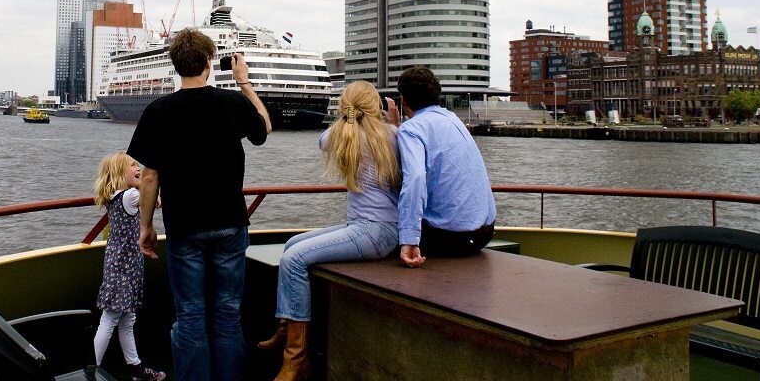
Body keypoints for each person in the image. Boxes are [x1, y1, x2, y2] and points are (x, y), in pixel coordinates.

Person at [127, 28, 272, 381]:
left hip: (184, 228)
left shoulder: (159, 111)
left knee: (190, 315)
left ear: (176, 65)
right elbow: (264, 129)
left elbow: (148, 177)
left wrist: (146, 227)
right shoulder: (232, 103)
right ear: (208, 63)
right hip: (230, 224)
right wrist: (244, 83)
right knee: (227, 313)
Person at [257, 81, 401, 381]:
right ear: (376, 107)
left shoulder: (341, 133)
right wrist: (392, 121)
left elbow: (322, 140)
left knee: (294, 258)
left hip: (374, 232)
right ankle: (286, 328)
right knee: (293, 243)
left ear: (344, 107)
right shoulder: (393, 135)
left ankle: (295, 360)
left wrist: (347, 117)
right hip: (380, 229)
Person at [394, 65, 496, 267]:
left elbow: (414, 179)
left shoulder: (411, 129)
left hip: (451, 239)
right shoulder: (452, 119)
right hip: (484, 233)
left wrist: (409, 240)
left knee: (382, 230)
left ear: (403, 100)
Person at [91, 153, 167, 381]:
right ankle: (90, 368)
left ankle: (135, 367)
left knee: (126, 319)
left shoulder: (116, 196)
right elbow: (153, 198)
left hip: (121, 265)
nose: (139, 168)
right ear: (118, 174)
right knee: (110, 318)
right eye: (132, 165)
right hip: (124, 268)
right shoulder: (131, 195)